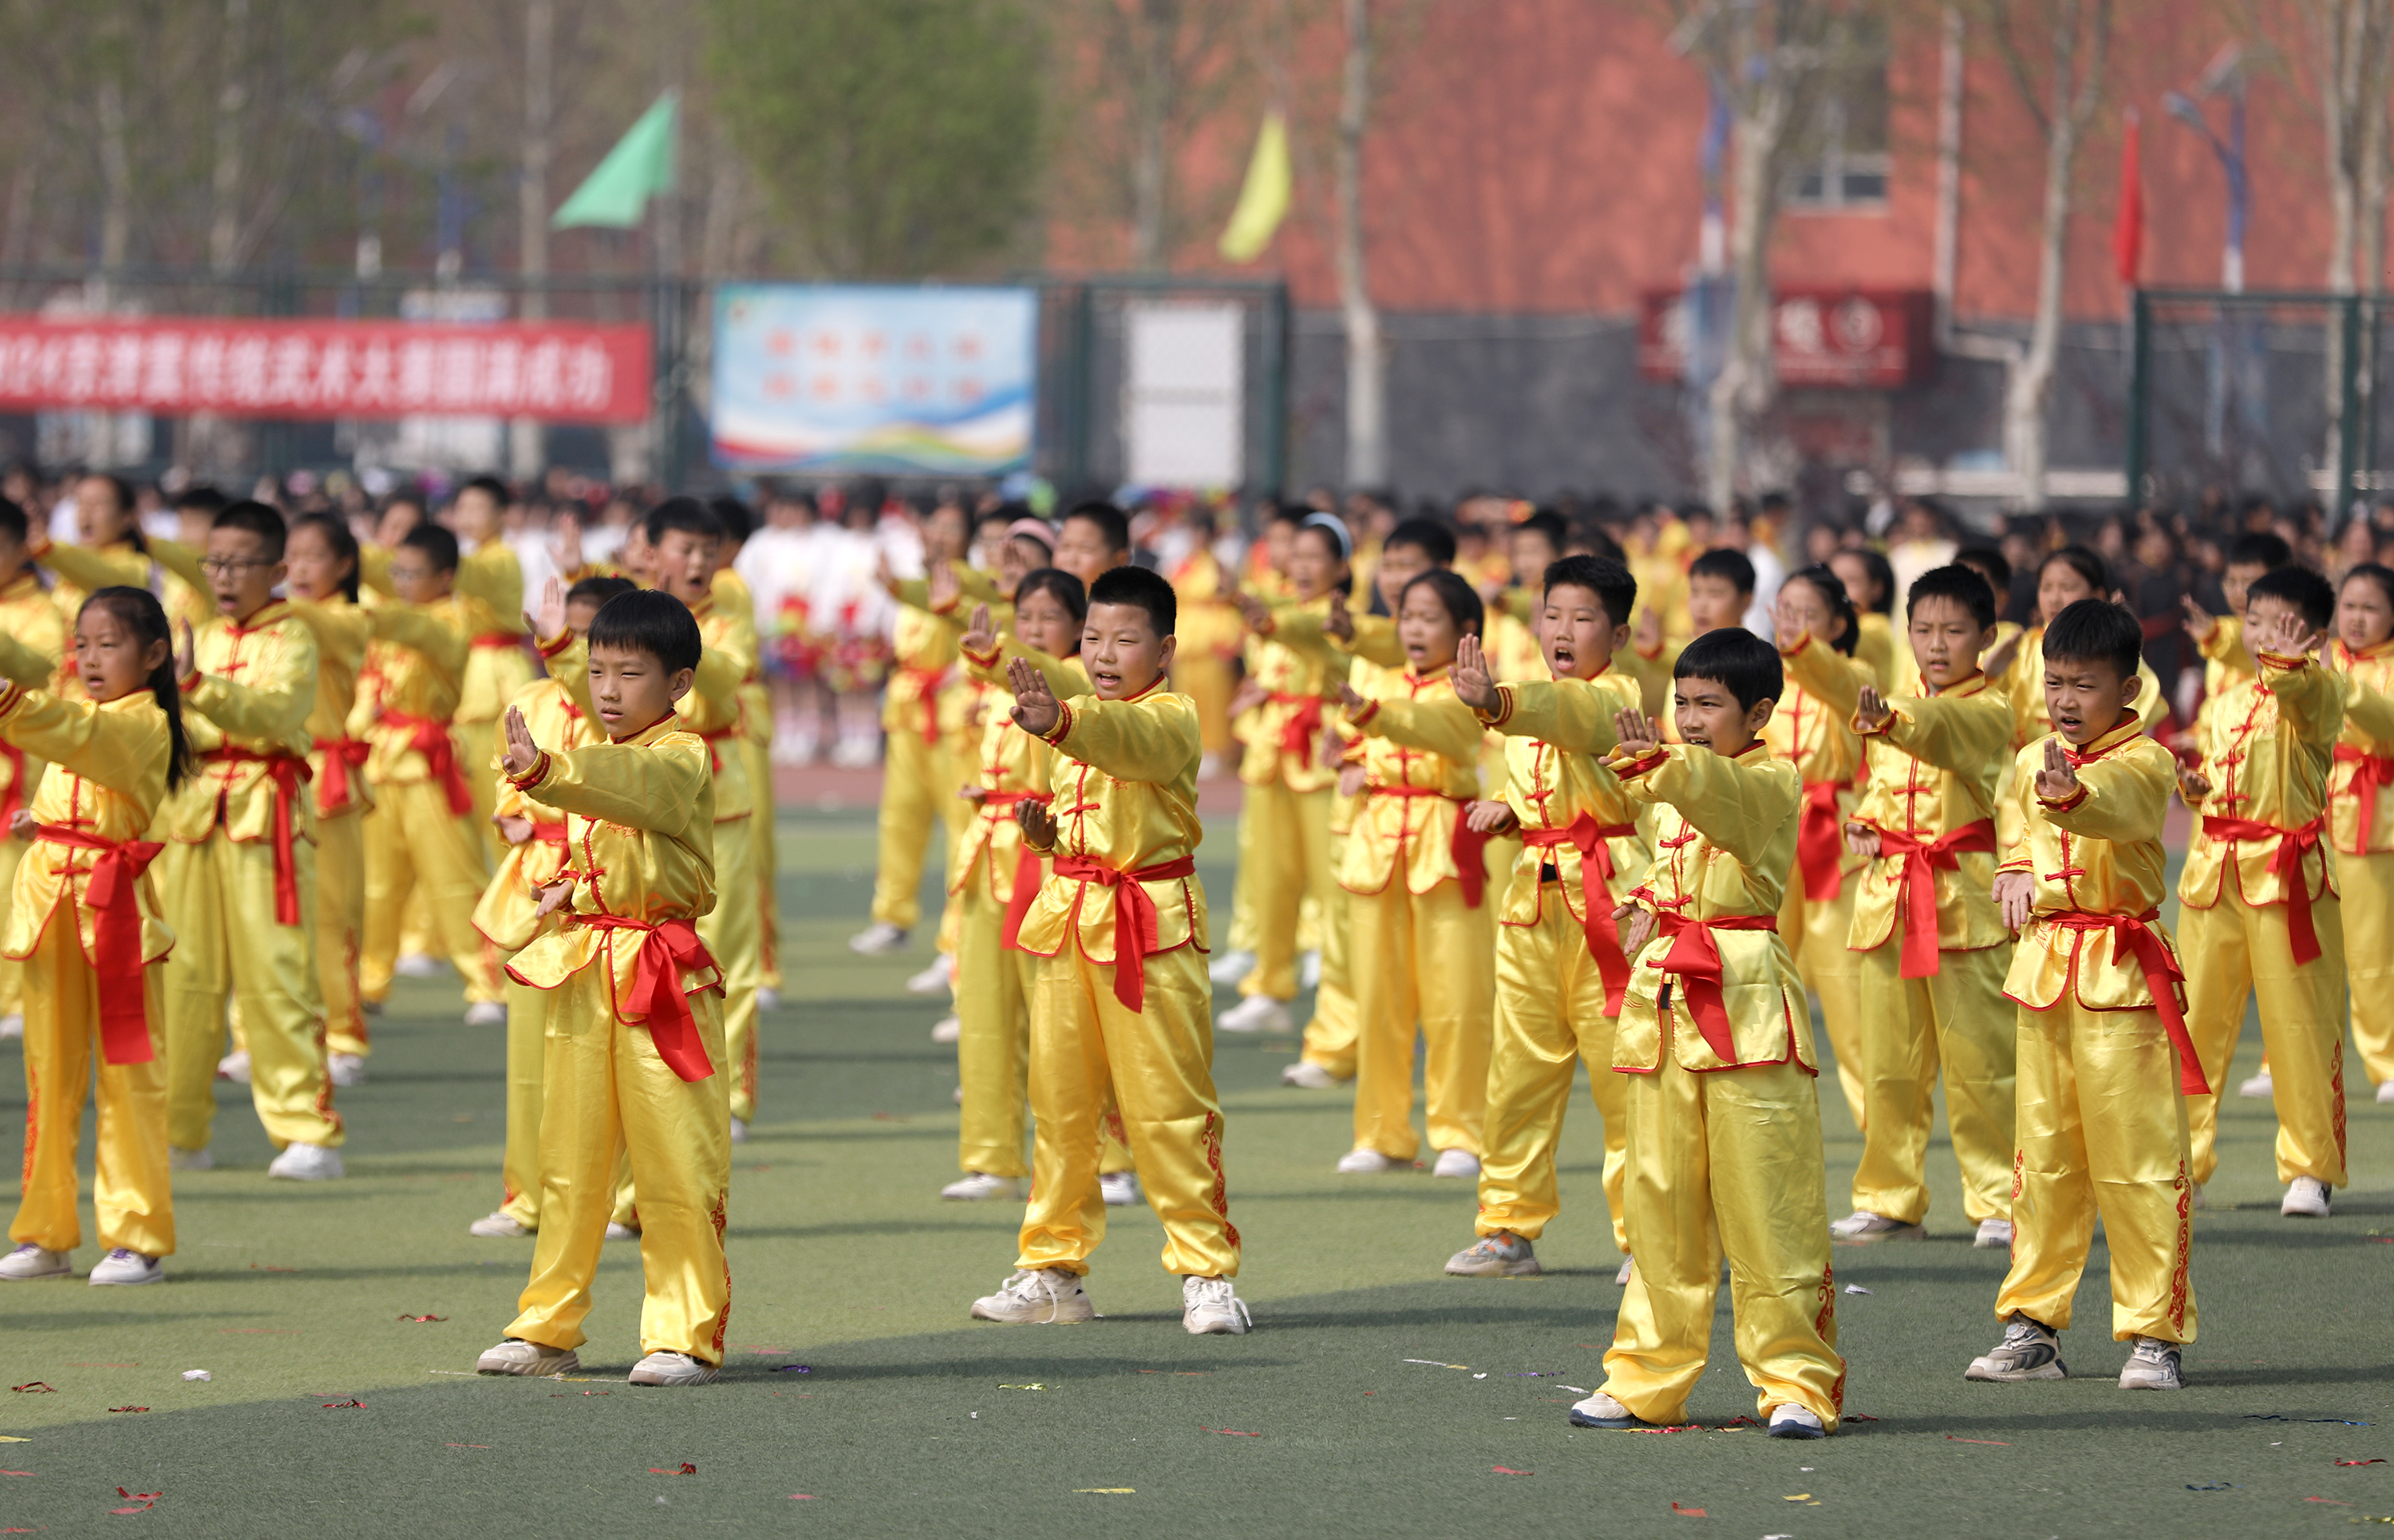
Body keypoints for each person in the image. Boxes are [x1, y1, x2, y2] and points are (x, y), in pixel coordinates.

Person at [1566, 629, 1843, 1439]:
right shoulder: (1670, 785)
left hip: (1747, 1001)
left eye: (1707, 704)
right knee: (1659, 1202)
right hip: (1666, 1000)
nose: (1687, 717)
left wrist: (1662, 764)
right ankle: (1644, 1378)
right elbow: (1675, 861)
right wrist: (1647, 903)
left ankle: (1795, 1381)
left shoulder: (1772, 777)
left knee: (1769, 1203)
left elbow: (1720, 798)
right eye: (1681, 701)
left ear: (1758, 714)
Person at [966, 566, 1248, 1337]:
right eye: (1093, 637)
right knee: (1060, 1108)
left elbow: (1136, 748)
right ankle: (1053, 1271)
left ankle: (1207, 1273)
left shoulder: (1172, 715)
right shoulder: (1077, 720)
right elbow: (1094, 811)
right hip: (1069, 918)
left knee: (1169, 1108)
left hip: (1151, 926)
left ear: (1165, 650)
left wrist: (1060, 722)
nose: (1103, 653)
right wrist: (1048, 838)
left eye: (1125, 639)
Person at [475, 590, 730, 1387]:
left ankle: (683, 1334)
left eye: (630, 673)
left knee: (676, 1165)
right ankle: (546, 1327)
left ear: (679, 683)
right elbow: (618, 841)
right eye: (597, 672)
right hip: (590, 968)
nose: (608, 690)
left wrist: (546, 772)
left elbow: (635, 788)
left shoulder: (681, 754)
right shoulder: (601, 753)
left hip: (661, 977)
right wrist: (574, 891)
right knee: (570, 1162)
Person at [1966, 598, 2199, 1392]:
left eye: (2084, 685)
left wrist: (2071, 799)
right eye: (2055, 683)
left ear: (2128, 690)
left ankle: (2155, 1332)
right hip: (2046, 968)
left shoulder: (2147, 760)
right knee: (2044, 1158)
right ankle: (2032, 1325)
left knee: (2138, 1159)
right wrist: (2012, 869)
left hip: (2121, 973)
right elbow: (2015, 828)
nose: (2065, 700)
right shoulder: (2030, 756)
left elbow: (2120, 806)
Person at [1443, 555, 1646, 1283]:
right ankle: (1506, 1227)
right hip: (1534, 904)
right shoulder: (1532, 705)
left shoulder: (1614, 695)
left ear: (1617, 636)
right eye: (1552, 615)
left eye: (1582, 618)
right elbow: (1542, 783)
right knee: (1518, 1072)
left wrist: (1497, 701)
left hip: (1611, 905)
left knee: (1626, 1078)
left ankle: (1648, 1238)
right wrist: (1510, 811)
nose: (1562, 630)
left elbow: (1577, 721)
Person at [145, 503, 340, 1178]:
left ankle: (307, 1132)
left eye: (239, 563)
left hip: (266, 815)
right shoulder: (197, 632)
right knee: (186, 979)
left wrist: (197, 688)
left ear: (277, 570)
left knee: (276, 974)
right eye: (215, 562)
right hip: (196, 812)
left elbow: (276, 713)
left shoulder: (296, 636)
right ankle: (180, 1132)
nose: (223, 576)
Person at [0, 587, 184, 1284]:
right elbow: (78, 777)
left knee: (128, 1072)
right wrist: (41, 824)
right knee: (48, 1073)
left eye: (109, 645)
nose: (91, 659)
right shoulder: (90, 715)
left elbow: (81, 740)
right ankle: (44, 1233)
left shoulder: (145, 722)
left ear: (155, 654)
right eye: (81, 646)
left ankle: (137, 1235)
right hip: (50, 900)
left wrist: (8, 700)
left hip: (111, 910)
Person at [1835, 565, 2017, 1247]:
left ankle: (2001, 1200)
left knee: (1982, 1065)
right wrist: (1867, 825)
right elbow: (1884, 788)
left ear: (1986, 636)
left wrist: (1893, 720)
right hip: (1890, 901)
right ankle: (1889, 1198)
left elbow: (1944, 730)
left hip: (1964, 905)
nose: (1936, 645)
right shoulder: (1893, 705)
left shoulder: (1989, 708)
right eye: (1924, 630)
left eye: (1954, 631)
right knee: (1889, 1065)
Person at [2176, 566, 2348, 1217]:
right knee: (2195, 1025)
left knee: (2299, 1026)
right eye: (2254, 622)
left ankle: (2310, 1169)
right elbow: (2221, 781)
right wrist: (2196, 791)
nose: (2262, 637)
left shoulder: (2322, 691)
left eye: (2281, 626)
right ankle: (2182, 1160)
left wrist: (2291, 663)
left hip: (2285, 878)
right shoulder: (2225, 703)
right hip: (2214, 873)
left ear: (2316, 637)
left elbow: (2296, 690)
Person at [467, 575, 634, 1239]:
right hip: (536, 891)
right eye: (568, 636)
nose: (572, 649)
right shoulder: (530, 700)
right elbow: (503, 777)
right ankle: (528, 1199)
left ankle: (623, 1201)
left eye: (590, 638)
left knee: (613, 1053)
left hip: (605, 889)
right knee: (531, 1060)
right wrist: (509, 814)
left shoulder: (624, 714)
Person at [1331, 570, 1495, 1179]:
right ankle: (1381, 1134)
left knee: (1457, 999)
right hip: (1377, 844)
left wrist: (1372, 716)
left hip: (1444, 843)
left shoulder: (1471, 689)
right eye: (1408, 617)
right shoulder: (1379, 678)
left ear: (1465, 629)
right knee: (1379, 998)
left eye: (1430, 618)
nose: (1414, 629)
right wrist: (1350, 760)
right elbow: (1355, 742)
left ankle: (1461, 1133)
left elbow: (1445, 729)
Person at [1295, 517, 1462, 1089]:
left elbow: (1432, 726)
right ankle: (1336, 1046)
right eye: (1389, 565)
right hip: (1364, 811)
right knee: (1348, 938)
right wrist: (1343, 746)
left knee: (1437, 955)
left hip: (1428, 819)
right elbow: (1356, 715)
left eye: (1409, 566)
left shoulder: (1410, 646)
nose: (1395, 578)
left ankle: (1423, 1058)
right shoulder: (1372, 643)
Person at [354, 523, 508, 1025]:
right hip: (381, 764)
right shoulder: (392, 620)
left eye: (411, 573)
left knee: (455, 881)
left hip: (429, 767)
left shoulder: (452, 621)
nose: (400, 581)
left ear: (445, 577)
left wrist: (360, 613)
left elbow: (415, 631)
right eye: (396, 572)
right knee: (377, 888)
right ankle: (368, 984)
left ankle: (488, 986)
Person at [1217, 514, 1353, 1035]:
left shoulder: (1339, 621)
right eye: (1297, 556)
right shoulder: (1277, 613)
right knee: (1270, 880)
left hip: (1320, 758)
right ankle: (1268, 989)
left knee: (1333, 885)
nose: (1303, 566)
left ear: (1341, 568)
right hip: (1272, 754)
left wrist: (1262, 618)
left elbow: (1306, 632)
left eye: (1315, 557)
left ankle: (1341, 1003)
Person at [1767, 567, 1875, 1128]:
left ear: (1837, 624)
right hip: (1769, 834)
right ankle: (1763, 1109)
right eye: (1786, 611)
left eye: (1809, 614)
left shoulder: (1855, 673)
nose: (1794, 624)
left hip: (1835, 837)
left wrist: (1803, 649)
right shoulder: (1764, 676)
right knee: (1758, 979)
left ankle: (1878, 1124)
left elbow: (1838, 684)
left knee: (1846, 989)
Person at [280, 515, 375, 1085]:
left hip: (327, 784)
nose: (298, 568)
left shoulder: (348, 619)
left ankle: (342, 1036)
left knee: (334, 916)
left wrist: (253, 591)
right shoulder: (266, 623)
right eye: (290, 555)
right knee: (269, 917)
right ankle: (260, 1040)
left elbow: (298, 612)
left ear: (343, 565)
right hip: (270, 783)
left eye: (312, 556)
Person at [2328, 563, 2394, 1104]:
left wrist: (2343, 685)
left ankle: (2384, 1062)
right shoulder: (2321, 658)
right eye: (2348, 605)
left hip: (2375, 823)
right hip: (2310, 816)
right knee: (2304, 950)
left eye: (2370, 607)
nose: (2356, 618)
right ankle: (2283, 1060)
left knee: (2372, 951)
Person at [0, 499, 65, 1041]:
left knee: (13, 884)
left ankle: (17, 999)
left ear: (22, 548)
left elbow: (39, 669)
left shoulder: (44, 609)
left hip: (18, 768)